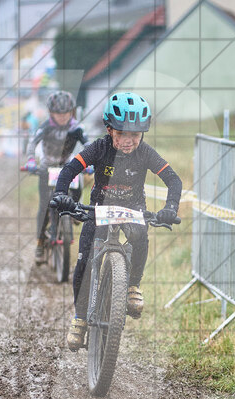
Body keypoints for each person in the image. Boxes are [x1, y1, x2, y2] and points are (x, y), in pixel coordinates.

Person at [49, 91, 182, 351]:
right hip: (99, 208)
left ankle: (132, 285)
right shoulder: (98, 148)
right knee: (84, 260)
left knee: (140, 238)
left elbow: (173, 180)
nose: (129, 140)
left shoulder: (145, 153)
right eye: (122, 134)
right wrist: (61, 194)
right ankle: (79, 318)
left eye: (135, 134)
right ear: (110, 130)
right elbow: (69, 170)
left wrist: (170, 207)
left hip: (133, 208)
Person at [20, 90, 88, 263]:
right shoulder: (45, 127)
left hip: (67, 166)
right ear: (51, 113)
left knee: (78, 186)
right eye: (59, 114)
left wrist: (91, 162)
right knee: (44, 206)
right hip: (46, 166)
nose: (63, 117)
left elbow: (87, 145)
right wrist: (30, 160)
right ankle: (40, 243)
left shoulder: (76, 127)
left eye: (66, 113)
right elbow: (32, 143)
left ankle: (73, 213)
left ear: (71, 112)